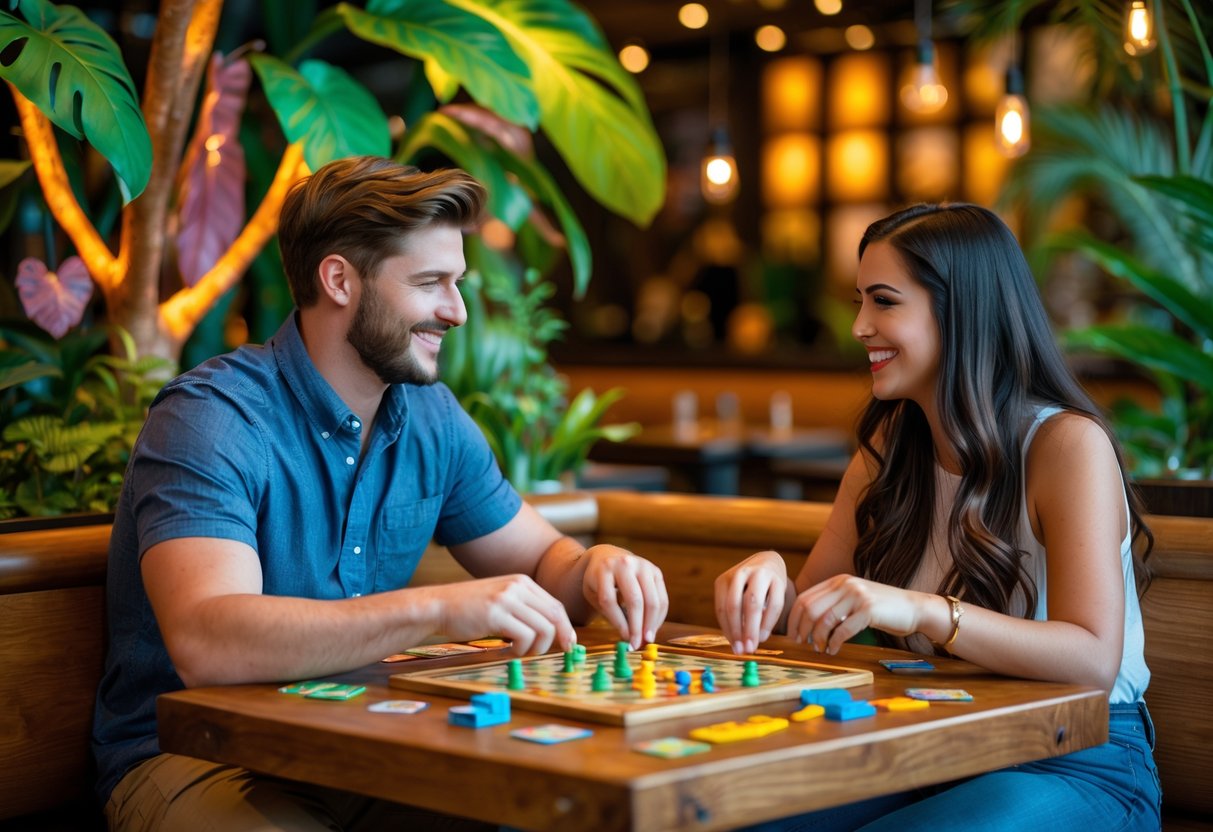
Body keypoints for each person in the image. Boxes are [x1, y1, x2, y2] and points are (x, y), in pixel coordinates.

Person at [92, 156, 669, 832]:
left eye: (456, 283)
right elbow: (209, 644)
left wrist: (597, 569)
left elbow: (548, 565)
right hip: (195, 758)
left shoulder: (431, 418)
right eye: (430, 283)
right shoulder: (213, 416)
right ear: (338, 279)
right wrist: (437, 607)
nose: (455, 311)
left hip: (368, 746)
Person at [714, 203, 1161, 831]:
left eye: (884, 302)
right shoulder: (887, 454)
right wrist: (771, 578)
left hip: (1081, 757)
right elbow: (809, 615)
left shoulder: (1065, 445)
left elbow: (1092, 659)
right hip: (933, 743)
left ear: (961, 313)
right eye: (859, 303)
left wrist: (918, 609)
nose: (861, 327)